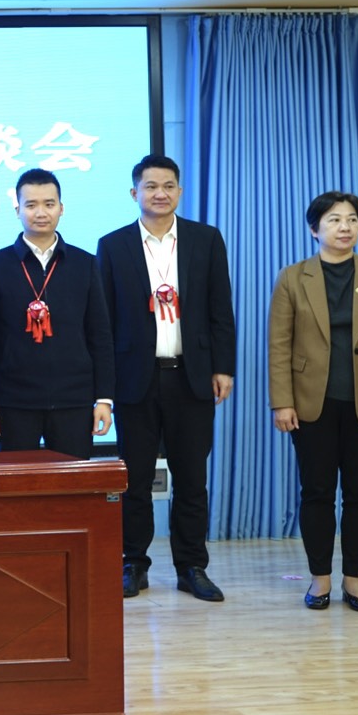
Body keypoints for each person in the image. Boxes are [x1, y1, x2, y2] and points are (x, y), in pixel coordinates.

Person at [96, 156, 236, 603]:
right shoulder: (113, 245)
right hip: (135, 379)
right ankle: (133, 564)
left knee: (191, 478)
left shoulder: (205, 239)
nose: (160, 193)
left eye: (169, 186)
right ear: (134, 193)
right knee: (135, 480)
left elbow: (220, 309)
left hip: (191, 377)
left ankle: (192, 566)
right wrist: (105, 386)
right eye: (151, 186)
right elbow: (104, 321)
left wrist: (223, 367)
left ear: (179, 191)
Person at [268, 191, 358, 614]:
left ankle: (354, 580)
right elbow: (279, 344)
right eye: (335, 220)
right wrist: (282, 402)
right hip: (311, 404)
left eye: (352, 220)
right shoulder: (293, 277)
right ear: (314, 229)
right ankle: (319, 578)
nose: (345, 227)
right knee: (317, 492)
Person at [0, 168, 115, 459]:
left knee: (72, 484)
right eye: (31, 205)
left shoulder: (84, 263)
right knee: (17, 481)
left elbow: (100, 335)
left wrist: (104, 399)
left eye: (49, 204)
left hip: (73, 399)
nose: (41, 212)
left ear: (61, 208)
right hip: (14, 401)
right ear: (17, 210)